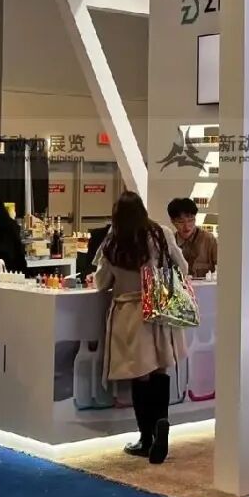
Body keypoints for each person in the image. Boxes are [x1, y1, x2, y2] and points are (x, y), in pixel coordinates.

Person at [95, 191, 188, 464]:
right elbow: (182, 267)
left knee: (140, 376)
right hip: (159, 308)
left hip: (130, 314)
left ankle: (146, 438)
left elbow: (101, 283)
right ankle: (161, 424)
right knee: (160, 369)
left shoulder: (113, 241)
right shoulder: (161, 234)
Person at [166, 197, 218, 279]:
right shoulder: (170, 243)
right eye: (181, 222)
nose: (186, 226)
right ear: (172, 221)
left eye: (190, 220)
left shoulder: (209, 240)